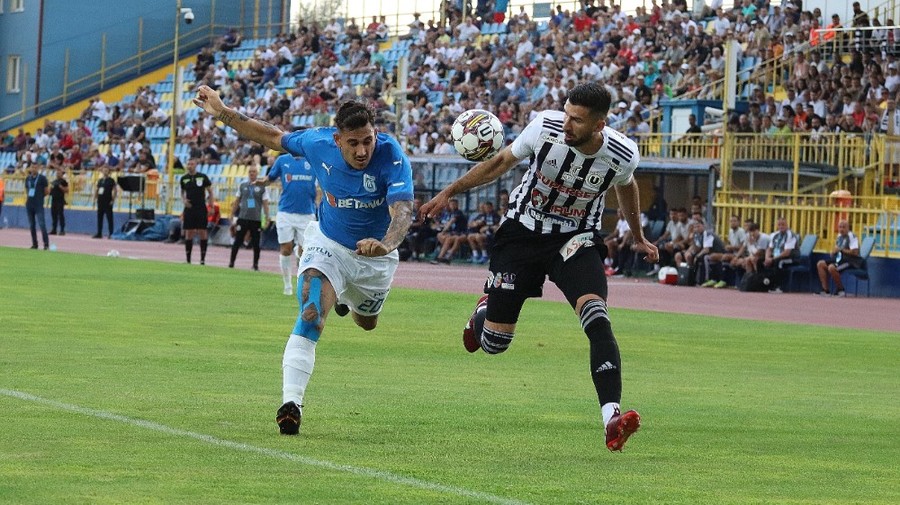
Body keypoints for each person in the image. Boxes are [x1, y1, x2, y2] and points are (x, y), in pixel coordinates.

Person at [419, 83, 658, 452]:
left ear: (599, 125)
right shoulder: (544, 128)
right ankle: (483, 312)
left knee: (597, 318)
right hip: (522, 233)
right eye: (567, 114)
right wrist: (449, 191)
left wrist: (638, 236)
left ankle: (611, 418)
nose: (567, 124)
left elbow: (626, 187)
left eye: (577, 120)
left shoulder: (622, 154)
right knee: (494, 344)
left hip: (575, 239)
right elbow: (500, 163)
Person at [193, 86, 414, 435]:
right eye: (353, 143)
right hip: (328, 244)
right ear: (337, 140)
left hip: (374, 257)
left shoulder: (392, 155)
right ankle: (291, 404)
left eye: (368, 141)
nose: (362, 151)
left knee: (366, 323)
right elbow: (270, 135)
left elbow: (402, 210)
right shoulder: (317, 143)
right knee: (311, 312)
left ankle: (345, 299)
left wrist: (385, 245)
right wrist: (222, 112)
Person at [257, 153, 318, 295]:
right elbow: (270, 178)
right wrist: (262, 182)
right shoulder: (282, 160)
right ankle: (288, 286)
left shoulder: (312, 158)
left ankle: (301, 275)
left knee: (305, 252)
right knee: (285, 249)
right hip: (285, 212)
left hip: (307, 213)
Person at [229, 165, 270, 270]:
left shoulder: (262, 187)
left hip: (256, 219)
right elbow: (237, 201)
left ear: (257, 173)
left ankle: (255, 265)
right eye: (250, 171)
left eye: (254, 172)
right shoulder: (242, 185)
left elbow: (265, 203)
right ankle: (231, 262)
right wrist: (231, 214)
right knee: (237, 241)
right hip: (243, 217)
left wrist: (267, 217)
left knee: (256, 243)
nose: (252, 173)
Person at [179, 159, 215, 264]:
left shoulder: (202, 177)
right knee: (189, 232)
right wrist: (184, 200)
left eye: (192, 164)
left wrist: (211, 206)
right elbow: (182, 192)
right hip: (189, 208)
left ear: (196, 165)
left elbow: (210, 192)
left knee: (202, 231)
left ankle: (202, 259)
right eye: (188, 164)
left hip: (200, 207)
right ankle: (188, 259)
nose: (190, 166)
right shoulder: (184, 178)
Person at [816, 220, 860, 297]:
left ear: (848, 228)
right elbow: (837, 248)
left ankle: (840, 289)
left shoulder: (852, 236)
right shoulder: (839, 236)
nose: (841, 229)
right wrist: (833, 252)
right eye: (840, 227)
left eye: (844, 227)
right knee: (820, 264)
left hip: (850, 260)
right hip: (839, 259)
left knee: (831, 267)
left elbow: (855, 253)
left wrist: (841, 250)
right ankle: (825, 290)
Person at [764, 216, 799, 293]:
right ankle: (765, 284)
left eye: (783, 224)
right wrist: (767, 258)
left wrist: (772, 259)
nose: (781, 226)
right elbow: (769, 249)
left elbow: (787, 252)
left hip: (792, 258)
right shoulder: (774, 235)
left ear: (787, 225)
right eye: (779, 225)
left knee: (778, 262)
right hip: (777, 256)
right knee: (761, 261)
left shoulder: (790, 235)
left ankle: (778, 287)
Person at [24, 163, 50, 250]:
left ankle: (46, 244)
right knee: (32, 225)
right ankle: (34, 244)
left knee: (42, 224)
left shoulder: (42, 178)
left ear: (38, 168)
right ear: (30, 168)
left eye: (35, 167)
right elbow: (27, 190)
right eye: (32, 167)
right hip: (29, 204)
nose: (34, 169)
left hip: (38, 204)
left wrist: (40, 196)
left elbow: (46, 191)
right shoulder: (28, 178)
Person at [93, 165, 117, 238]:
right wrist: (95, 197)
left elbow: (115, 190)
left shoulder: (111, 180)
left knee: (109, 218)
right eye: (104, 170)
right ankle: (99, 233)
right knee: (99, 217)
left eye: (106, 170)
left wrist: (113, 200)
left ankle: (111, 233)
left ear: (109, 172)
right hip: (100, 201)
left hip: (108, 201)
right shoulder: (100, 180)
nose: (105, 172)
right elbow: (97, 189)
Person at [49, 166, 69, 236]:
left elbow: (67, 190)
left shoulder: (63, 181)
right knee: (53, 214)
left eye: (59, 173)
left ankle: (62, 230)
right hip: (53, 199)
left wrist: (61, 187)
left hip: (60, 200)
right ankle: (54, 229)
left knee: (60, 214)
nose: (58, 174)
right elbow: (50, 190)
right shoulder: (54, 181)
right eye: (57, 173)